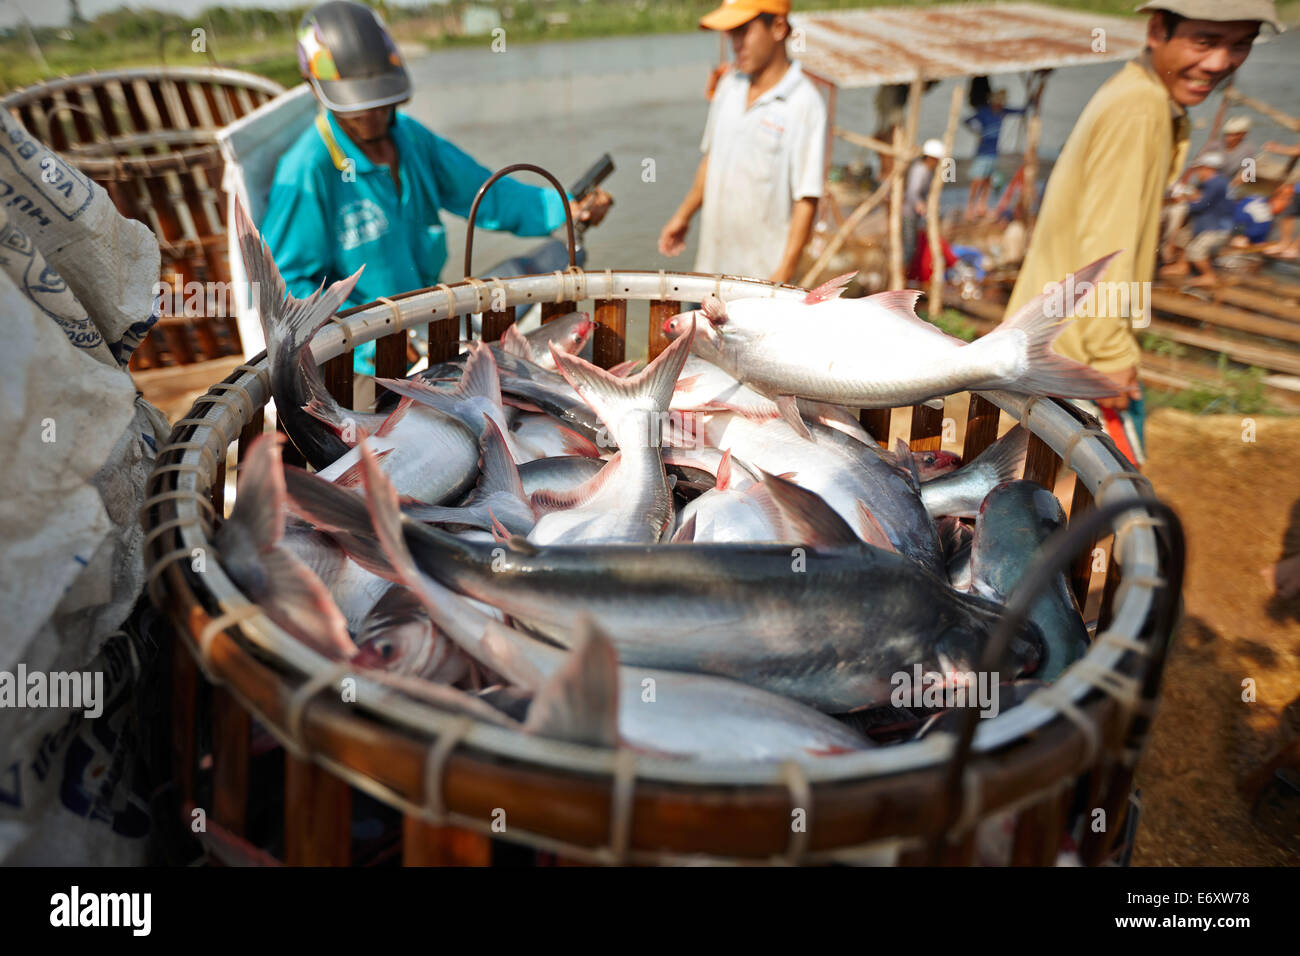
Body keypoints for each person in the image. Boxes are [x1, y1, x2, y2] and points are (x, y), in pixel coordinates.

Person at [1000, 0, 1278, 467]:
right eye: (1205, 41)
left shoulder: (1139, 94)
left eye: (1240, 44)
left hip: (1051, 343)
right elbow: (1109, 243)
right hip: (1076, 357)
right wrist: (1111, 351)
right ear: (1156, 30)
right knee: (1112, 515)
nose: (1219, 62)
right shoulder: (1140, 108)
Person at [262, 1, 609, 373]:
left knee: (557, 275)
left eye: (382, 102)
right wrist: (363, 334)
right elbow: (285, 286)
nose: (374, 116)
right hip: (357, 358)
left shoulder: (410, 139)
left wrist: (565, 205)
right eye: (357, 107)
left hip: (426, 317)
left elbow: (486, 193)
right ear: (314, 89)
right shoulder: (306, 170)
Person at [658, 0, 826, 284]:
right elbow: (712, 159)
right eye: (731, 33)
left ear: (778, 27)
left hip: (760, 281)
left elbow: (806, 198)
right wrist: (684, 215)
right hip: (708, 273)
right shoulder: (729, 85)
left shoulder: (804, 103)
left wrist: (784, 273)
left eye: (743, 31)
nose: (736, 44)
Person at [1161, 152, 1233, 283]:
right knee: (1182, 237)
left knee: (1195, 251)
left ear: (1208, 168)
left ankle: (1209, 275)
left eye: (1199, 169)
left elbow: (1200, 205)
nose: (1197, 173)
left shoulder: (1215, 184)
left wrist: (1184, 200)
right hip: (1204, 222)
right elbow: (1199, 198)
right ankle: (1182, 266)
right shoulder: (1211, 182)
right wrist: (1189, 197)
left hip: (1216, 228)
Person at [963, 89, 1026, 221]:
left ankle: (982, 206)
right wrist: (978, 132)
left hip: (993, 152)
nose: (1000, 105)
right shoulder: (984, 111)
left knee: (988, 180)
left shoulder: (1003, 112)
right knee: (977, 180)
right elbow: (966, 121)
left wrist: (1032, 100)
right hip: (982, 152)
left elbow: (1021, 111)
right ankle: (970, 208)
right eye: (998, 102)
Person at [902, 139, 945, 267]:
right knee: (908, 247)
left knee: (912, 245)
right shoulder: (919, 170)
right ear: (930, 158)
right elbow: (912, 192)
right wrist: (921, 206)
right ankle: (904, 273)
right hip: (908, 213)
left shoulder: (926, 170)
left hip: (913, 214)